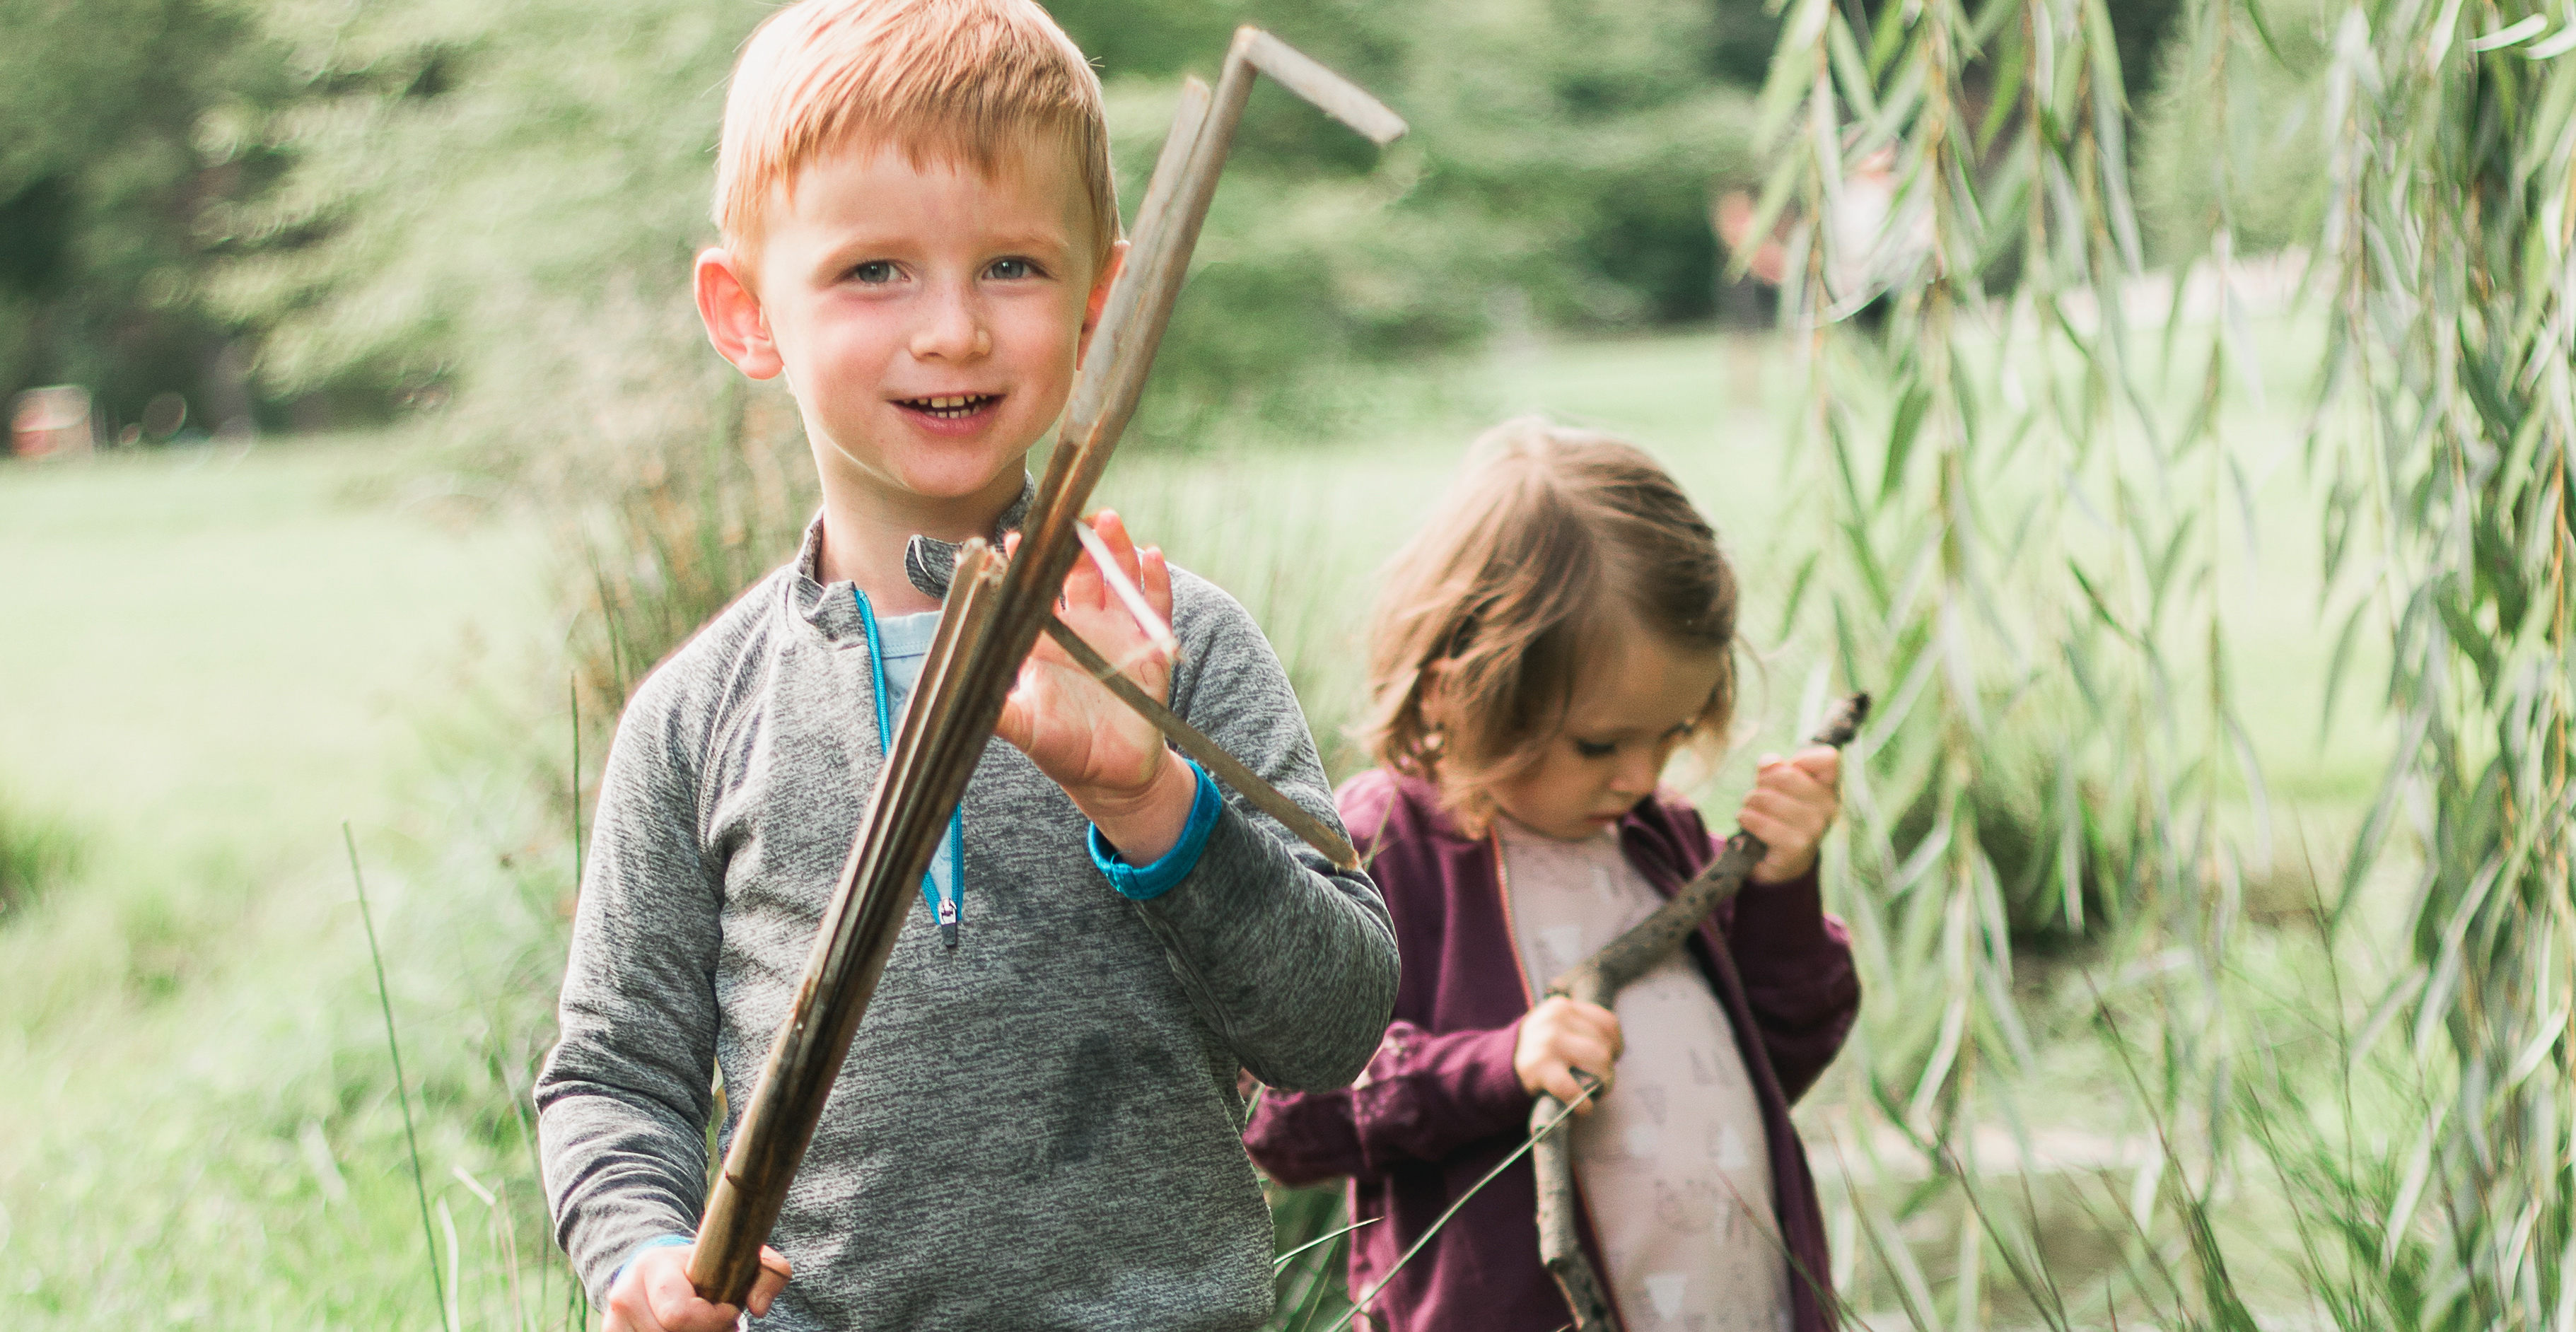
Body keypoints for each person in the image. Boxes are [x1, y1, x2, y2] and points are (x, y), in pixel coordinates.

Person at [533, 2, 1400, 1327]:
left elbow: (1335, 1024)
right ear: (746, 311)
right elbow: (612, 1076)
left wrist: (1150, 801)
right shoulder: (697, 718)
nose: (953, 330)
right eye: (874, 270)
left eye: (1012, 266)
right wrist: (644, 1253)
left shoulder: (1176, 644)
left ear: (1101, 298)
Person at [1243, 419, 1860, 1332]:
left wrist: (1781, 887)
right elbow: (1280, 1110)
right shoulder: (1388, 846)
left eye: (1674, 734)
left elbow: (1783, 1055)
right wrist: (1497, 1066)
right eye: (1601, 743)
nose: (1642, 776)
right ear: (1461, 688)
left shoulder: (1663, 842)